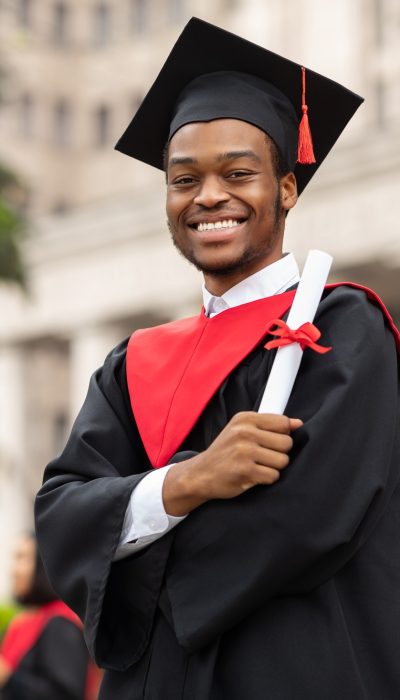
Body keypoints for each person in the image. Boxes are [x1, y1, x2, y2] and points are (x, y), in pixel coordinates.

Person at [35, 17, 400, 700]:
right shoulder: (130, 363)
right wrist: (189, 483)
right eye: (184, 179)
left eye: (239, 173)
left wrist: (131, 547)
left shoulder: (344, 328)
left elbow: (305, 519)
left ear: (286, 188)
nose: (208, 196)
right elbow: (60, 521)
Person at [0, 533, 94, 700]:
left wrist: (8, 677)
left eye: (22, 558)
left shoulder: (60, 624)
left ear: (43, 565)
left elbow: (65, 694)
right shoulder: (27, 621)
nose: (13, 570)